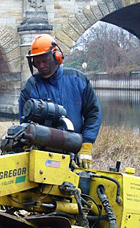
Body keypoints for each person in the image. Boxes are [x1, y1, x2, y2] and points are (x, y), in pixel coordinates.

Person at [19, 34, 102, 169]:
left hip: (75, 150)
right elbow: (25, 125)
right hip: (43, 154)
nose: (41, 66)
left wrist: (86, 145)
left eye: (45, 61)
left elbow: (93, 114)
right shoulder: (30, 88)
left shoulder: (78, 80)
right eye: (37, 62)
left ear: (56, 56)